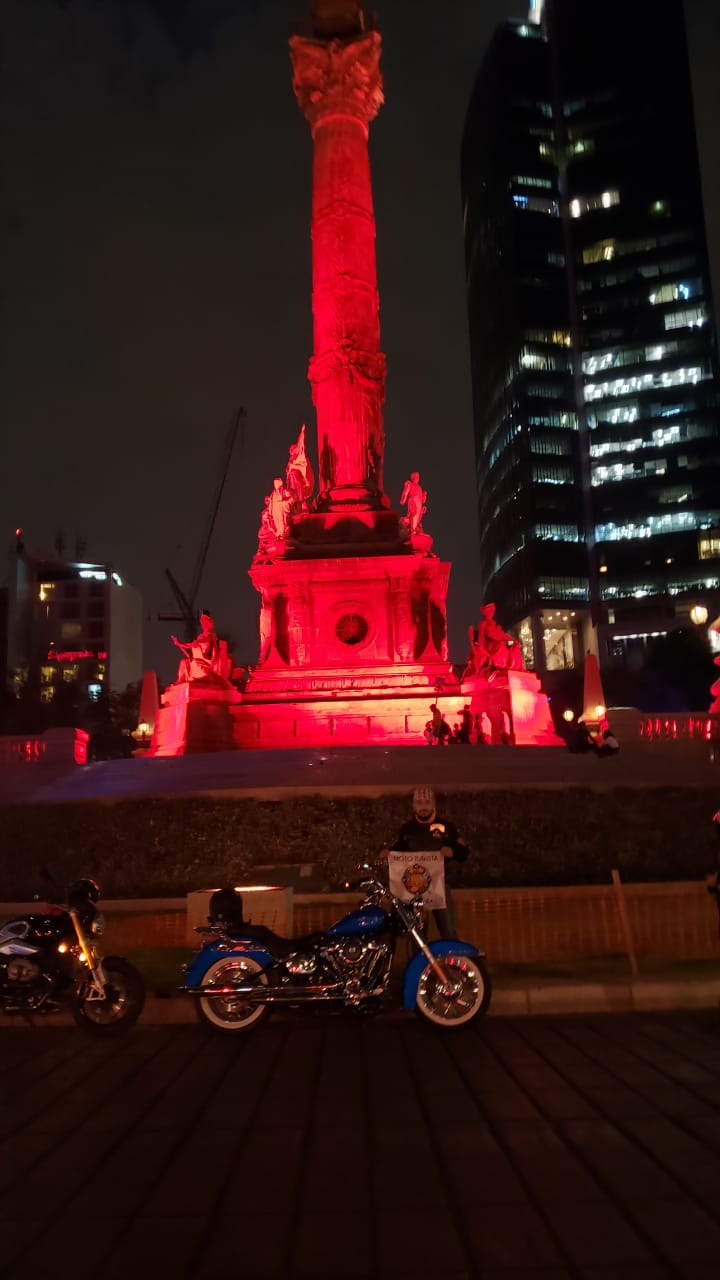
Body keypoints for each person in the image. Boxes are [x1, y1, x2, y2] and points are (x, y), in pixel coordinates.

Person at [389, 785, 469, 938]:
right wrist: (388, 853)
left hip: (439, 886)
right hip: (413, 887)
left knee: (448, 929)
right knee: (416, 933)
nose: (423, 807)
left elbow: (463, 852)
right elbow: (398, 850)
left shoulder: (447, 827)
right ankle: (420, 954)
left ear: (433, 804)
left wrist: (452, 852)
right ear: (414, 805)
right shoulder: (407, 829)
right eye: (419, 803)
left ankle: (450, 953)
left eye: (427, 803)